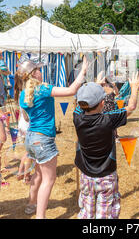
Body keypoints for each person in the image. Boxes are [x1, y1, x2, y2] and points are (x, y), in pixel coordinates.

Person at [14, 57, 88, 219]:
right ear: (33, 74)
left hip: (31, 138)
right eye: (38, 70)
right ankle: (41, 216)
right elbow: (71, 91)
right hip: (43, 139)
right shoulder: (43, 89)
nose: (41, 72)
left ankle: (30, 205)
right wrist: (82, 72)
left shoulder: (23, 95)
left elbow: (26, 118)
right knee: (49, 179)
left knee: (39, 174)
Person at [73, 73, 139, 219]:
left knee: (86, 211)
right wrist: (134, 88)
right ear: (103, 103)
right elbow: (131, 106)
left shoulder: (77, 117)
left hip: (86, 176)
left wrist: (95, 86)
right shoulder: (108, 119)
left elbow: (80, 105)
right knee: (105, 213)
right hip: (106, 176)